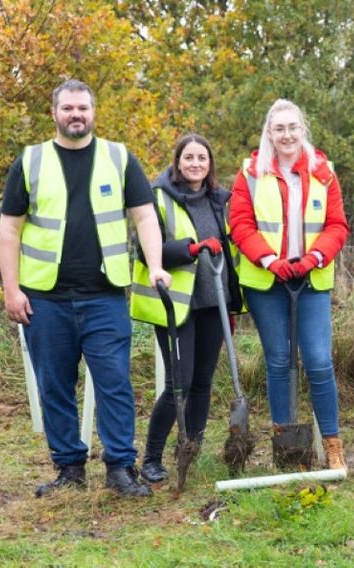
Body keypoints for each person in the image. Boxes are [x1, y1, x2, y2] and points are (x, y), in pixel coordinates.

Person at [0, 79, 171, 498]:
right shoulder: (31, 160)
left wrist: (157, 266)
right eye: (68, 108)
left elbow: (145, 217)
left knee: (114, 382)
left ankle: (119, 469)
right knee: (54, 385)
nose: (76, 115)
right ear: (54, 113)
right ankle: (69, 469)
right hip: (44, 298)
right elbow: (9, 230)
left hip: (105, 295)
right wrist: (11, 289)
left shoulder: (118, 157)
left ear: (94, 112)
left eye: (83, 108)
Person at [229, 99, 349, 470]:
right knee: (279, 360)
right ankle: (286, 444)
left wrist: (314, 258)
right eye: (279, 128)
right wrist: (270, 260)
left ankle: (331, 442)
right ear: (269, 132)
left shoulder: (323, 172)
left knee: (317, 361)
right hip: (267, 282)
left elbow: (337, 225)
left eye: (293, 127)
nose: (286, 135)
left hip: (310, 280)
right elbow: (241, 224)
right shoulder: (250, 173)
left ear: (303, 130)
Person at [129, 134, 243, 483]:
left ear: (210, 164)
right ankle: (151, 458)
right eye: (188, 157)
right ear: (177, 162)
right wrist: (190, 250)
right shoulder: (158, 197)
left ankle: (190, 450)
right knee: (179, 382)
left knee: (202, 382)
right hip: (177, 305)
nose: (195, 163)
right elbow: (145, 249)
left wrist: (234, 305)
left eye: (202, 158)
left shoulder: (220, 200)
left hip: (214, 303)